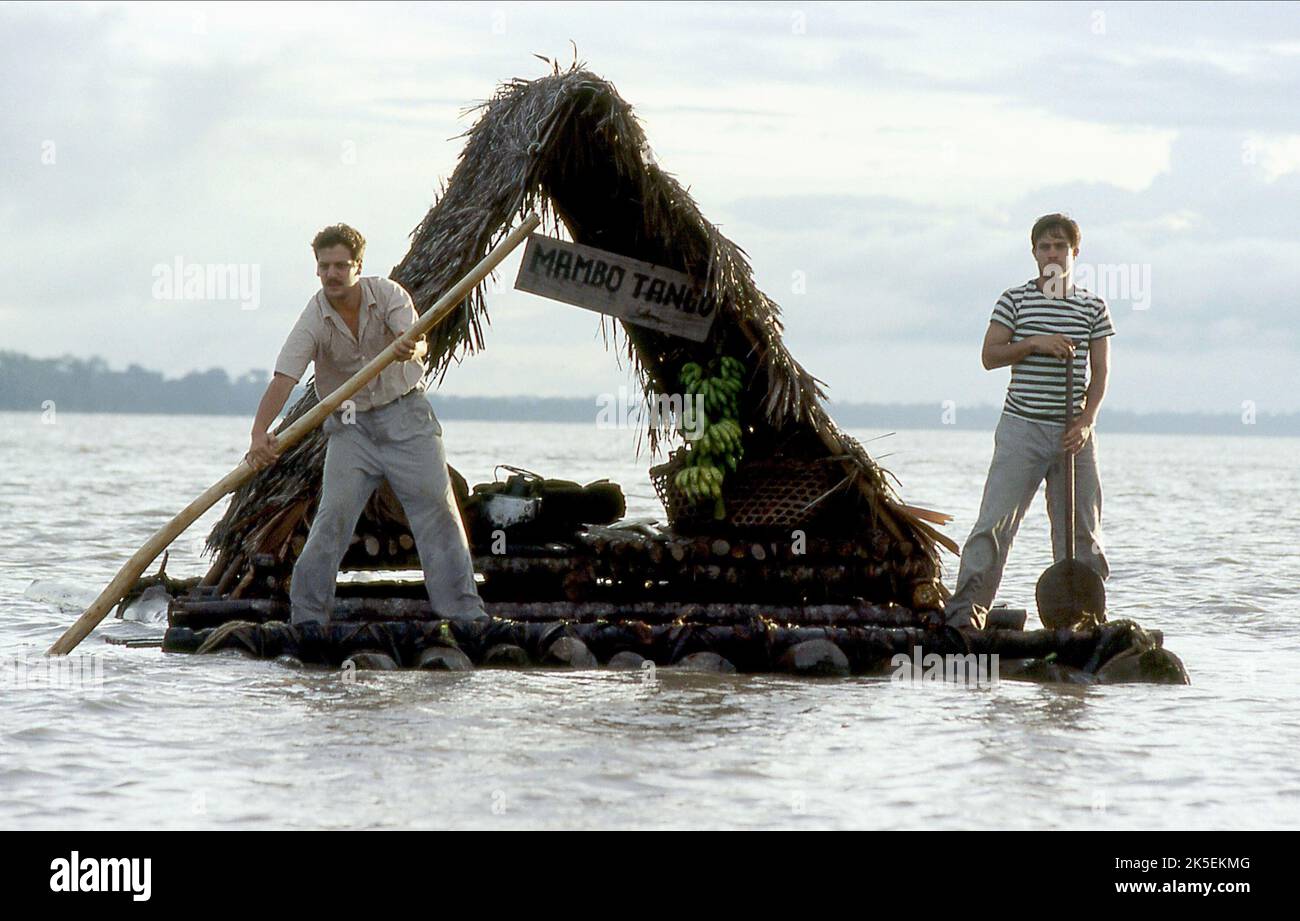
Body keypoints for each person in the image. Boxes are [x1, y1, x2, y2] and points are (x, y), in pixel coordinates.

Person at [246, 223, 486, 625]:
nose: (332, 275)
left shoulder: (388, 294)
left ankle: (465, 617)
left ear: (358, 266)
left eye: (341, 266)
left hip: (406, 417)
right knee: (332, 518)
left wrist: (412, 345)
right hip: (351, 428)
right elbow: (284, 377)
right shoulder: (314, 316)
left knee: (437, 514)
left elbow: (418, 339)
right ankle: (306, 620)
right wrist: (258, 434)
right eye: (324, 267)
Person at [944, 213, 1114, 629]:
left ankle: (1082, 619)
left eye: (1059, 246)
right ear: (1035, 253)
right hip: (1022, 428)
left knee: (1082, 534)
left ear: (1075, 252)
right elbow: (990, 355)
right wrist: (1035, 343)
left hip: (1074, 433)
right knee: (994, 523)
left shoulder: (1092, 306)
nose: (1052, 254)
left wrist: (1087, 421)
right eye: (1044, 247)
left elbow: (1101, 373)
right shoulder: (1014, 300)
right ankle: (966, 614)